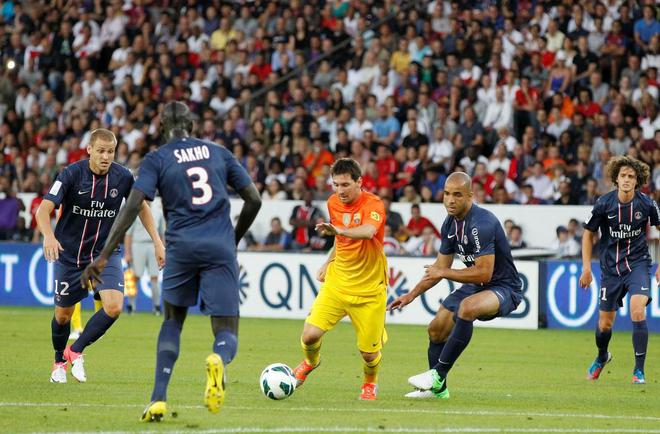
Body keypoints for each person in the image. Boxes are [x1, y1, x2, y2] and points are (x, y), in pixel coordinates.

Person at [81, 101, 261, 421]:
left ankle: (158, 399)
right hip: (219, 246)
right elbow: (254, 199)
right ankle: (218, 358)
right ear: (192, 125)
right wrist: (232, 239)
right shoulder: (218, 152)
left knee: (172, 323)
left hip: (180, 248)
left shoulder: (157, 158)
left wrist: (104, 255)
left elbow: (133, 205)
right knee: (226, 330)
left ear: (162, 127)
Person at [35, 128, 165, 384]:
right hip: (70, 254)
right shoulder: (71, 174)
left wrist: (158, 242)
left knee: (114, 307)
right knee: (62, 315)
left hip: (105, 253)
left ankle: (76, 351)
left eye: (111, 152)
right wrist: (49, 236)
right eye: (102, 151)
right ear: (90, 150)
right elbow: (43, 210)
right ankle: (59, 360)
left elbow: (142, 207)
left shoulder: (123, 177)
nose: (106, 157)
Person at [388, 172, 522, 399]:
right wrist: (411, 295)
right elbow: (439, 267)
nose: (450, 200)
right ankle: (439, 390)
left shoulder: (482, 223)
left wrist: (444, 272)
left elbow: (484, 272)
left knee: (467, 308)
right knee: (436, 328)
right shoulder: (449, 224)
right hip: (477, 285)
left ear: (470, 196)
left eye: (457, 195)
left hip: (503, 287)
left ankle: (437, 375)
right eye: (447, 194)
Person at [292, 158, 388, 401]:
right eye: (335, 185)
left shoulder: (373, 203)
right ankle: (310, 362)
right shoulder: (333, 202)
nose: (340, 191)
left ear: (359, 182)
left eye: (345, 185)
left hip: (368, 289)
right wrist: (327, 261)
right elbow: (339, 239)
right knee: (309, 335)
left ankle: (369, 383)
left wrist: (340, 231)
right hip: (337, 282)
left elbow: (368, 231)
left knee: (368, 354)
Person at [579, 156, 660, 385]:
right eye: (623, 175)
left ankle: (639, 371)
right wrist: (586, 268)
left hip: (638, 265)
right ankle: (602, 356)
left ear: (638, 181)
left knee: (637, 311)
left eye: (631, 176)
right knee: (604, 324)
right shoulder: (604, 203)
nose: (626, 179)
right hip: (610, 269)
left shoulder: (647, 204)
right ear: (616, 178)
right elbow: (588, 234)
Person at [124, 200, 166, 314]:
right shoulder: (136, 209)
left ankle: (156, 306)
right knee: (135, 276)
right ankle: (131, 305)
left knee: (155, 276)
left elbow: (162, 233)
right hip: (138, 244)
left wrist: (163, 248)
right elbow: (129, 234)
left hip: (154, 245)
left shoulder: (158, 210)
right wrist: (127, 252)